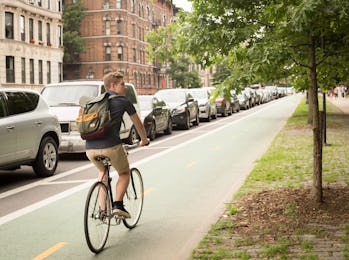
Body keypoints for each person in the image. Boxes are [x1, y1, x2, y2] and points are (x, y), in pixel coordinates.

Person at [85, 71, 149, 218]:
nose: (125, 87)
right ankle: (118, 205)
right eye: (122, 84)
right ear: (113, 85)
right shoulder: (123, 100)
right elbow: (138, 124)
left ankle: (102, 211)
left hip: (90, 149)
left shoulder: (95, 101)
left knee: (102, 173)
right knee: (124, 173)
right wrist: (144, 140)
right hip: (111, 146)